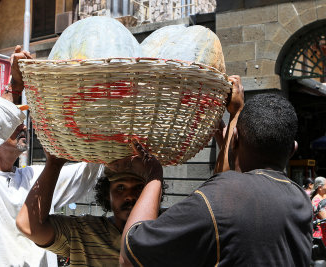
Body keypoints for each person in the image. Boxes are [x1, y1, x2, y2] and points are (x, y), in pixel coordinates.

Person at [119, 77, 313, 266]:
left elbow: (130, 254)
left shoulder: (217, 198)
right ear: (292, 149)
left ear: (235, 139)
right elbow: (231, 199)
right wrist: (232, 127)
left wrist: (153, 174)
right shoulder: (301, 201)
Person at [0, 46, 103, 267]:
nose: (23, 125)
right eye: (13, 122)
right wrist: (14, 87)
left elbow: (85, 174)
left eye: (21, 119)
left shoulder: (34, 176)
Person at [16, 141, 166, 266]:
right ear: (108, 195)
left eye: (139, 188)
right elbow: (29, 226)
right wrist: (54, 164)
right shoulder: (82, 232)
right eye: (120, 187)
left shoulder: (169, 233)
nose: (129, 196)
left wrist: (155, 174)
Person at [311, 176, 326, 246]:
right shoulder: (316, 200)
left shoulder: (324, 196)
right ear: (320, 187)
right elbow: (324, 217)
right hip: (321, 235)